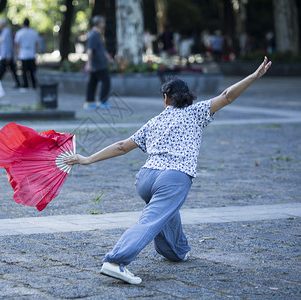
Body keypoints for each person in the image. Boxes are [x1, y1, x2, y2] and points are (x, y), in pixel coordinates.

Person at [64, 57, 272, 284]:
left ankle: (177, 251)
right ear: (188, 97)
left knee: (165, 211)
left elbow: (122, 146)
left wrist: (87, 159)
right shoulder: (196, 112)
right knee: (151, 220)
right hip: (173, 177)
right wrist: (253, 76)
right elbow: (227, 96)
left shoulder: (154, 121)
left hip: (146, 179)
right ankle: (115, 261)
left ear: (165, 99)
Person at [84, 15, 114, 109]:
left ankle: (89, 102)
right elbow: (90, 51)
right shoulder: (93, 35)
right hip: (97, 64)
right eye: (103, 22)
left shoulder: (98, 35)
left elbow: (102, 49)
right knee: (106, 81)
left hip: (99, 63)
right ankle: (102, 101)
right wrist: (88, 64)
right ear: (99, 23)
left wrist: (109, 59)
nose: (104, 24)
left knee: (93, 82)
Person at [0, 18, 21, 88]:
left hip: (6, 55)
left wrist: (8, 55)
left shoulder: (6, 32)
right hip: (6, 55)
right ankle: (18, 83)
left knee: (2, 69)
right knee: (10, 69)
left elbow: (8, 44)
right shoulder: (4, 32)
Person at [14, 18, 39, 89]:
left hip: (23, 53)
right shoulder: (33, 32)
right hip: (31, 53)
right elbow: (37, 44)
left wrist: (16, 54)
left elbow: (16, 44)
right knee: (32, 70)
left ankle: (26, 84)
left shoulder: (19, 33)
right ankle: (34, 84)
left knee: (24, 70)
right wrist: (36, 53)